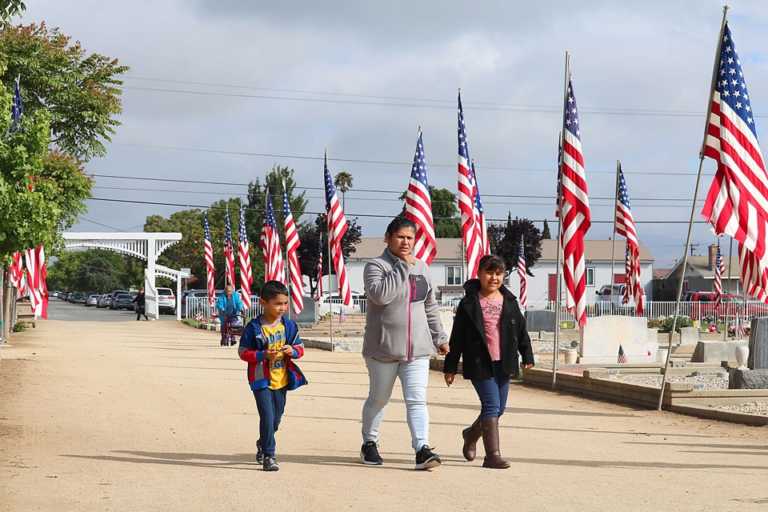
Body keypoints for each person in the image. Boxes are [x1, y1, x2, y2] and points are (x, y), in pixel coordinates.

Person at [360, 217, 448, 470]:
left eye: (410, 238)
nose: (406, 242)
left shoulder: (422, 267)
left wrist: (439, 337)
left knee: (417, 399)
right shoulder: (376, 266)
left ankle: (422, 449)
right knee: (379, 398)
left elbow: (429, 305)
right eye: (400, 236)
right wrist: (401, 267)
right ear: (388, 238)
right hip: (383, 351)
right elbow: (380, 296)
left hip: (417, 350)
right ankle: (370, 443)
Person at [443, 255, 535, 469]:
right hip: (479, 362)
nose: (493, 277)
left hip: (504, 362)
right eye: (489, 272)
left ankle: (471, 434)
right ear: (480, 274)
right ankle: (492, 455)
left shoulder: (510, 301)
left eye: (498, 273)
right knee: (491, 406)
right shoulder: (468, 303)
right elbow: (457, 337)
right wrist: (450, 367)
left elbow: (521, 331)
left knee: (498, 409)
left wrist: (527, 355)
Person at [238, 280, 307, 472]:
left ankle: (263, 441)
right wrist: (261, 355)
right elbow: (243, 352)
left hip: (282, 379)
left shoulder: (289, 326)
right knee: (267, 417)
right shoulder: (253, 327)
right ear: (263, 302)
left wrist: (291, 350)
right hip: (261, 379)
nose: (282, 308)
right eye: (277, 303)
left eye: (285, 303)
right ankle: (269, 455)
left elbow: (300, 348)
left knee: (276, 419)